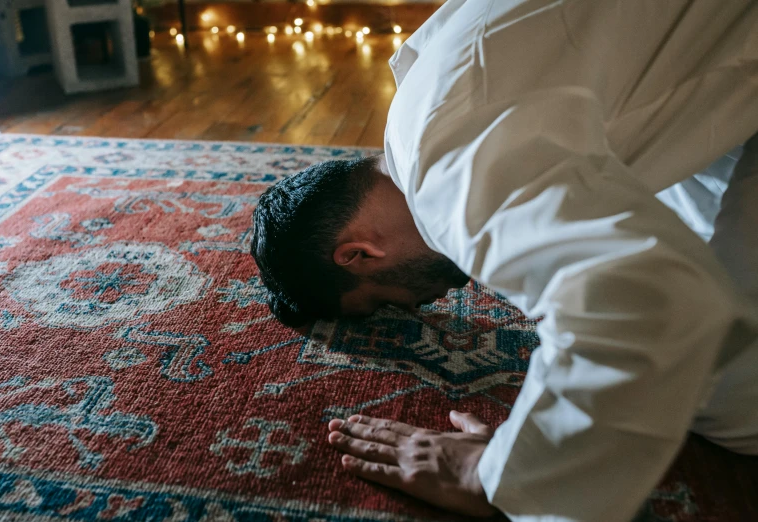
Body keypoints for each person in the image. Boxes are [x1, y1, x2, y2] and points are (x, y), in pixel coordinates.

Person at [250, 1, 758, 520]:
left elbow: (644, 301)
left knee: (732, 408)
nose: (425, 303)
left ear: (357, 254)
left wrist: (495, 474)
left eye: (386, 299)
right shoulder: (416, 101)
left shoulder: (446, 178)